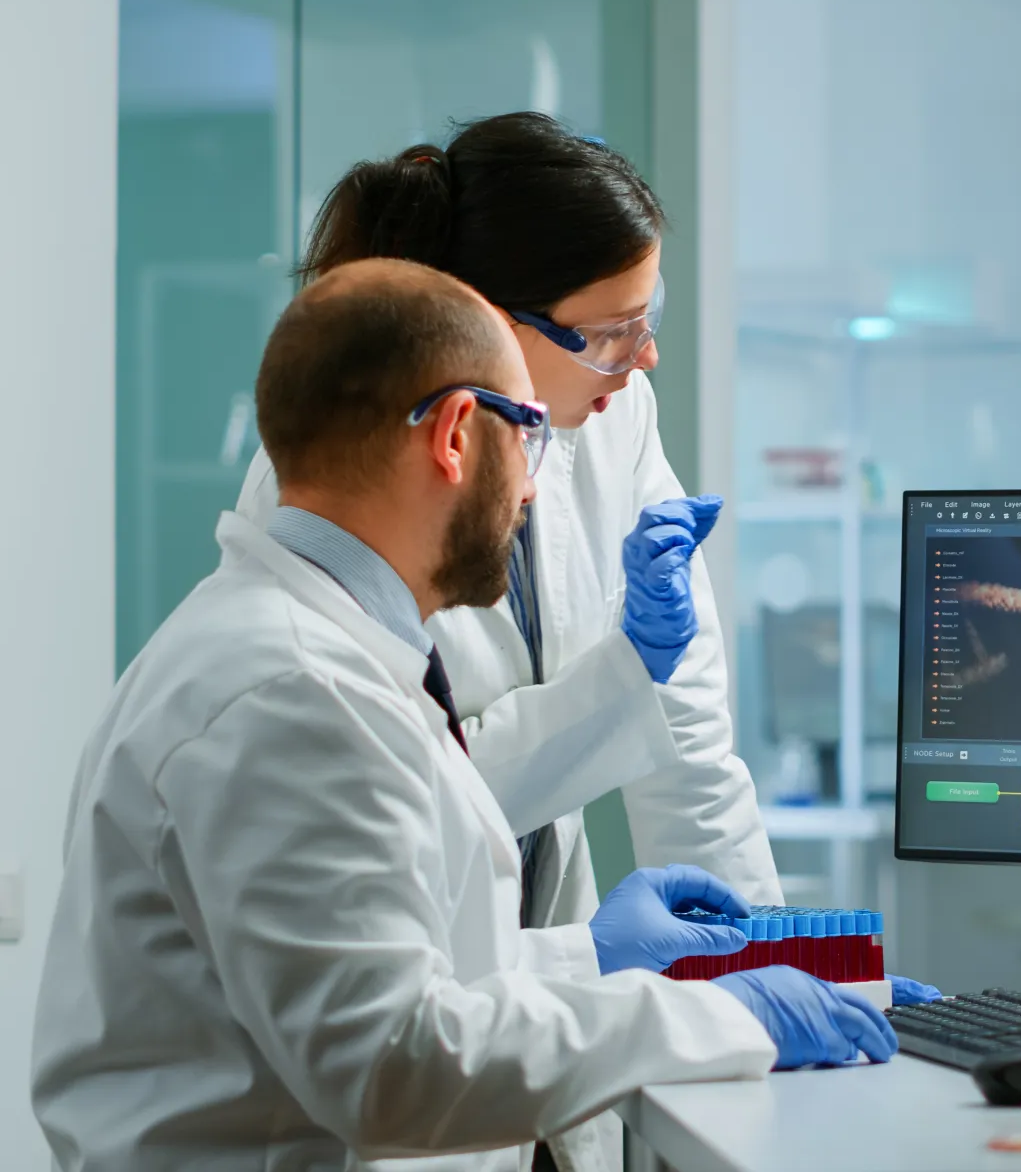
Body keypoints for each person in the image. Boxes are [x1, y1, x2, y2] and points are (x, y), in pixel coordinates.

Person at [31, 260, 896, 1172]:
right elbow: (390, 1065)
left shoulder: (313, 652)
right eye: (529, 437)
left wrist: (590, 959)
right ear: (453, 436)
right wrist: (717, 1016)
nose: (532, 489)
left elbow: (372, 977)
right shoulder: (292, 693)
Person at [233, 113, 939, 1008]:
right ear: (488, 324)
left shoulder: (614, 417)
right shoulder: (347, 485)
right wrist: (623, 678)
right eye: (611, 331)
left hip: (524, 978)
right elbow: (403, 791)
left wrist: (763, 963)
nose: (645, 358)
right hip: (417, 971)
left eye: (649, 317)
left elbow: (687, 743)